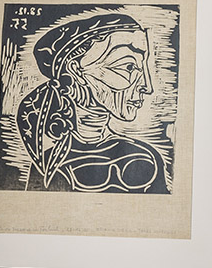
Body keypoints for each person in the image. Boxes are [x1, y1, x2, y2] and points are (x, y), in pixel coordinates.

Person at [15, 12, 167, 193]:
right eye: (128, 67)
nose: (147, 86)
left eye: (143, 69)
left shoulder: (147, 157)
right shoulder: (47, 164)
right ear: (76, 71)